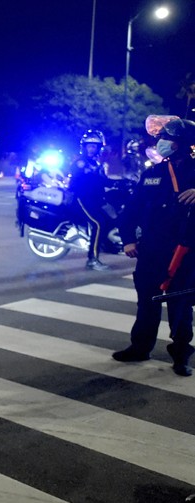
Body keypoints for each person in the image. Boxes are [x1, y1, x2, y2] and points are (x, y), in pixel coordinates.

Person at [112, 115, 195, 377]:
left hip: (183, 252)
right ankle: (140, 347)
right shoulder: (153, 172)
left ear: (182, 143)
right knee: (146, 302)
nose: (161, 142)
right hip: (151, 249)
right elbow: (133, 208)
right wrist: (128, 239)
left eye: (168, 139)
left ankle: (181, 355)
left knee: (180, 307)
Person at [67, 129, 112, 271]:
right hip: (81, 199)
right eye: (89, 146)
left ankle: (103, 246)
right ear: (84, 147)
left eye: (95, 146)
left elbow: (103, 181)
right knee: (98, 224)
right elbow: (79, 182)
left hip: (94, 200)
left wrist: (121, 182)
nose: (92, 149)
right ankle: (92, 259)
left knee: (109, 219)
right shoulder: (80, 163)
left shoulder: (96, 164)